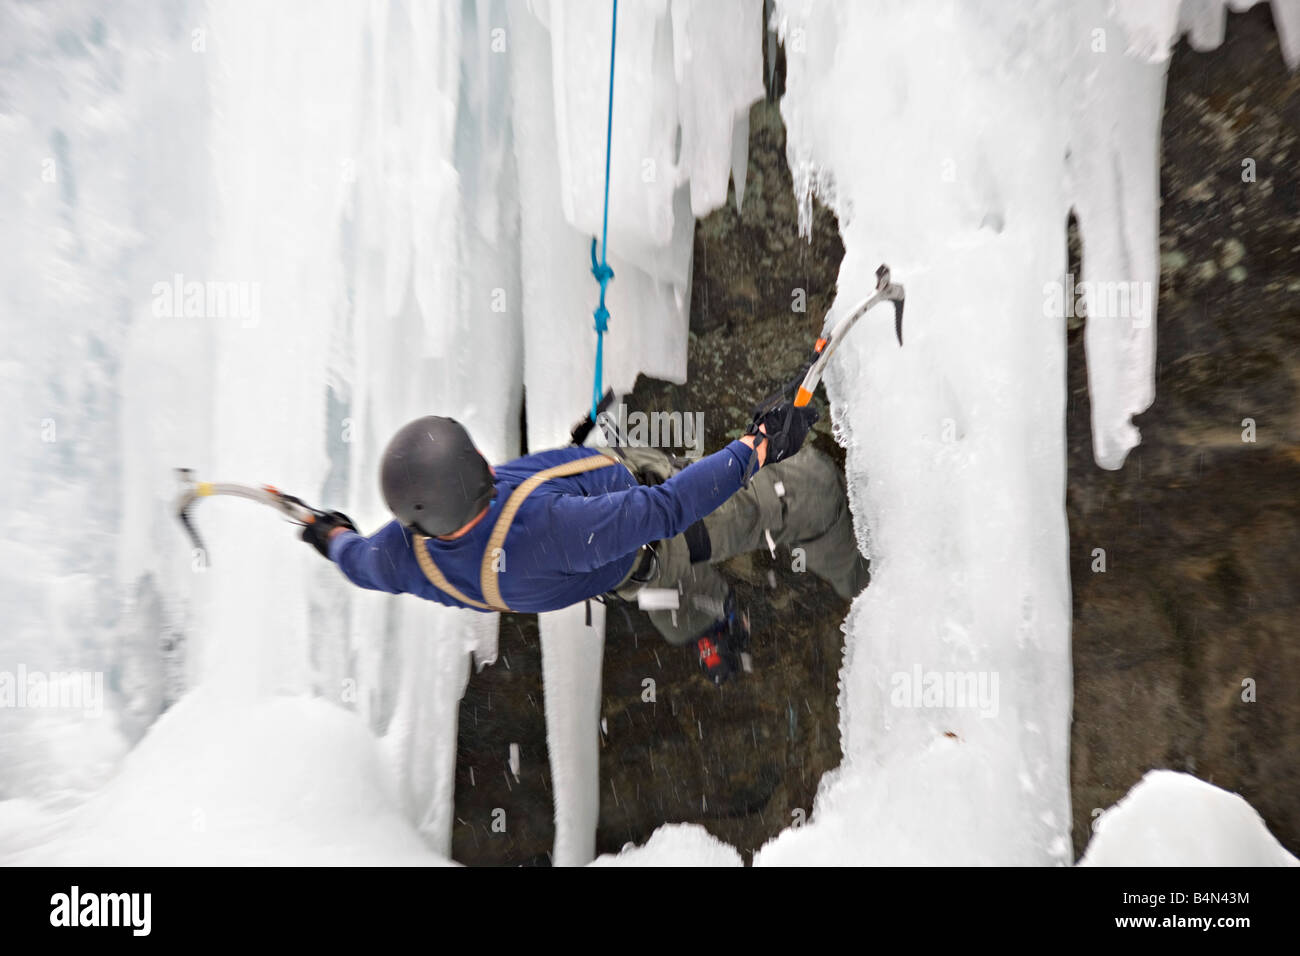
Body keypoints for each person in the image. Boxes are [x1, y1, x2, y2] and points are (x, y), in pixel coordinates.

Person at [302, 400, 868, 685]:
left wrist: (329, 536)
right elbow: (667, 509)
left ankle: (712, 626)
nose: (485, 460)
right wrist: (758, 446)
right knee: (807, 492)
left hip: (618, 564)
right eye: (478, 463)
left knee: (660, 592)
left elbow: (358, 561)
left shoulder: (407, 554)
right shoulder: (550, 533)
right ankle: (861, 580)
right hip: (655, 530)